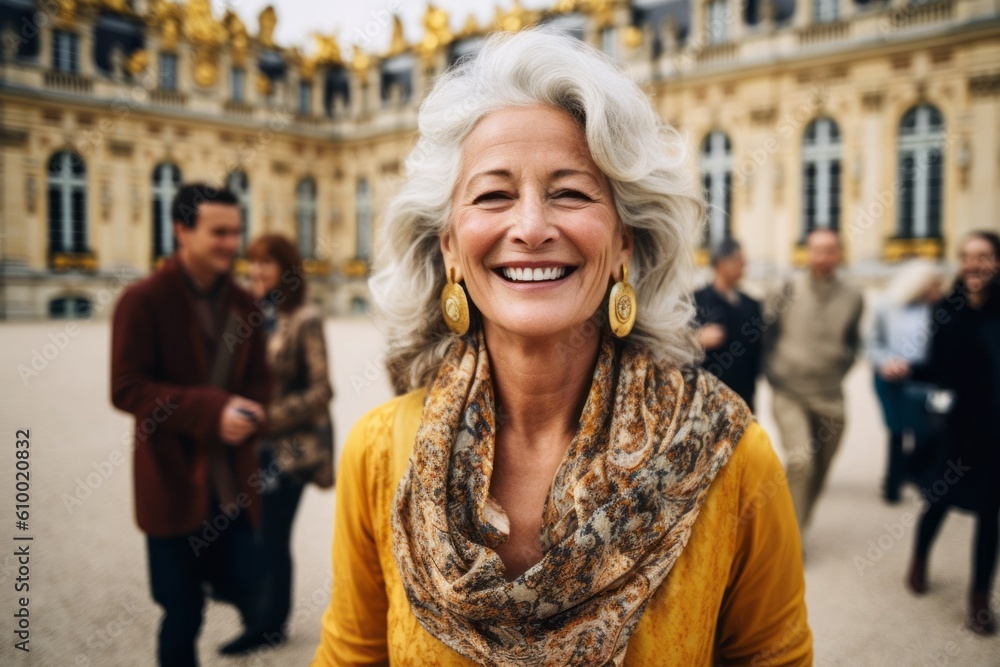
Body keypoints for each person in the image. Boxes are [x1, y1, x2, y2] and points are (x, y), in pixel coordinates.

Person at [312, 29, 811, 666]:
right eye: (493, 194)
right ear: (449, 248)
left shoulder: (731, 455)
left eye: (570, 192)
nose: (530, 227)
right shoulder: (377, 454)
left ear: (625, 240)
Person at [111, 183, 271, 665]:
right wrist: (210, 411)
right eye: (218, 232)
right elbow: (126, 388)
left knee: (249, 588)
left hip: (231, 489)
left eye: (235, 232)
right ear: (181, 230)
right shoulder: (141, 301)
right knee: (180, 613)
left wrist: (254, 414)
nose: (230, 243)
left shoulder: (246, 305)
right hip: (172, 485)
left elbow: (261, 386)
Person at [232, 233, 335, 652]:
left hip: (290, 451)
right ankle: (259, 614)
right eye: (253, 263)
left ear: (285, 270)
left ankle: (269, 625)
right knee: (249, 534)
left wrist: (267, 420)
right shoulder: (250, 315)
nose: (256, 271)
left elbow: (322, 390)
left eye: (266, 263)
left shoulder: (305, 318)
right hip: (249, 449)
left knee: (272, 535)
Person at [906, 230, 1000, 635]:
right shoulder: (946, 309)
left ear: (996, 262)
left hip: (996, 428)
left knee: (989, 512)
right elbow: (937, 368)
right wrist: (908, 370)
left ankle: (979, 597)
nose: (973, 264)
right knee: (939, 499)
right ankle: (919, 558)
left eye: (982, 256)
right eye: (966, 256)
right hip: (958, 426)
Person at [763, 228, 864, 534]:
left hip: (830, 395)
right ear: (807, 253)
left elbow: (853, 342)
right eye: (817, 250)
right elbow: (766, 335)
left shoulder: (853, 297)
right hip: (789, 392)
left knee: (820, 468)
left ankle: (798, 523)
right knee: (801, 462)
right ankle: (790, 542)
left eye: (830, 250)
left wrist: (837, 370)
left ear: (840, 254)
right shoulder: (784, 289)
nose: (823, 257)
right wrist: (775, 373)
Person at [866, 260, 944, 503]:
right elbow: (871, 342)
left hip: (924, 379)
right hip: (890, 377)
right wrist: (884, 362)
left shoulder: (939, 308)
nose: (938, 291)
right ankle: (893, 485)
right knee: (896, 430)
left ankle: (916, 474)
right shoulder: (886, 306)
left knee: (928, 430)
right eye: (934, 285)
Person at [693, 238, 763, 411]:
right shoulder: (696, 301)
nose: (744, 265)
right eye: (739, 260)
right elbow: (675, 349)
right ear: (721, 263)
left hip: (744, 400)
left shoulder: (751, 305)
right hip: (708, 402)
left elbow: (757, 354)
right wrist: (696, 340)